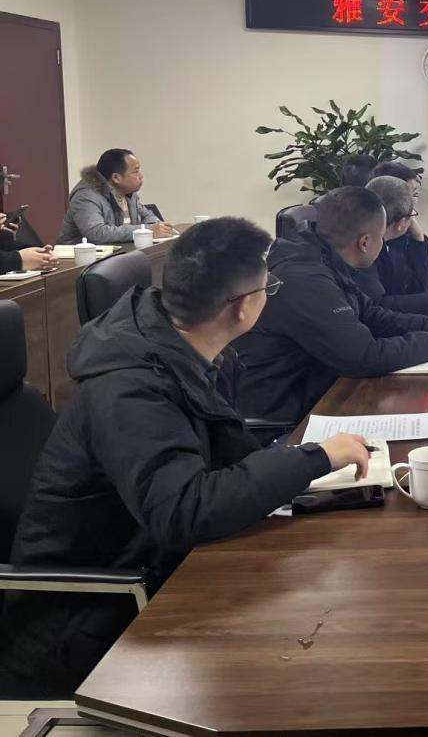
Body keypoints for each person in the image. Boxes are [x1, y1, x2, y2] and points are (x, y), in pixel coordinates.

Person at [0, 218, 371, 697]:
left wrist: (297, 467)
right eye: (269, 287)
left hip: (158, 566)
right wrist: (313, 459)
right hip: (88, 620)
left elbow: (215, 463)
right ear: (242, 307)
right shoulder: (131, 388)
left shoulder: (183, 349)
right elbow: (183, 511)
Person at [231, 186, 428, 426]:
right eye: (381, 238)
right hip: (286, 418)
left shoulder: (324, 259)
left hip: (321, 390)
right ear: (365, 242)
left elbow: (370, 313)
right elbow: (364, 357)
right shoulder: (306, 278)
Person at [361, 176, 428, 317]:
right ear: (401, 223)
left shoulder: (390, 242)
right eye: (412, 214)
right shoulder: (365, 250)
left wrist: (419, 239)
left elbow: (415, 289)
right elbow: (377, 306)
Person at [57, 149, 176, 244]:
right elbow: (96, 233)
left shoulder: (128, 193)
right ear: (116, 178)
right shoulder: (86, 195)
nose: (141, 176)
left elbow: (147, 216)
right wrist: (146, 231)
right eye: (136, 171)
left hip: (118, 253)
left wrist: (159, 227)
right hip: (77, 260)